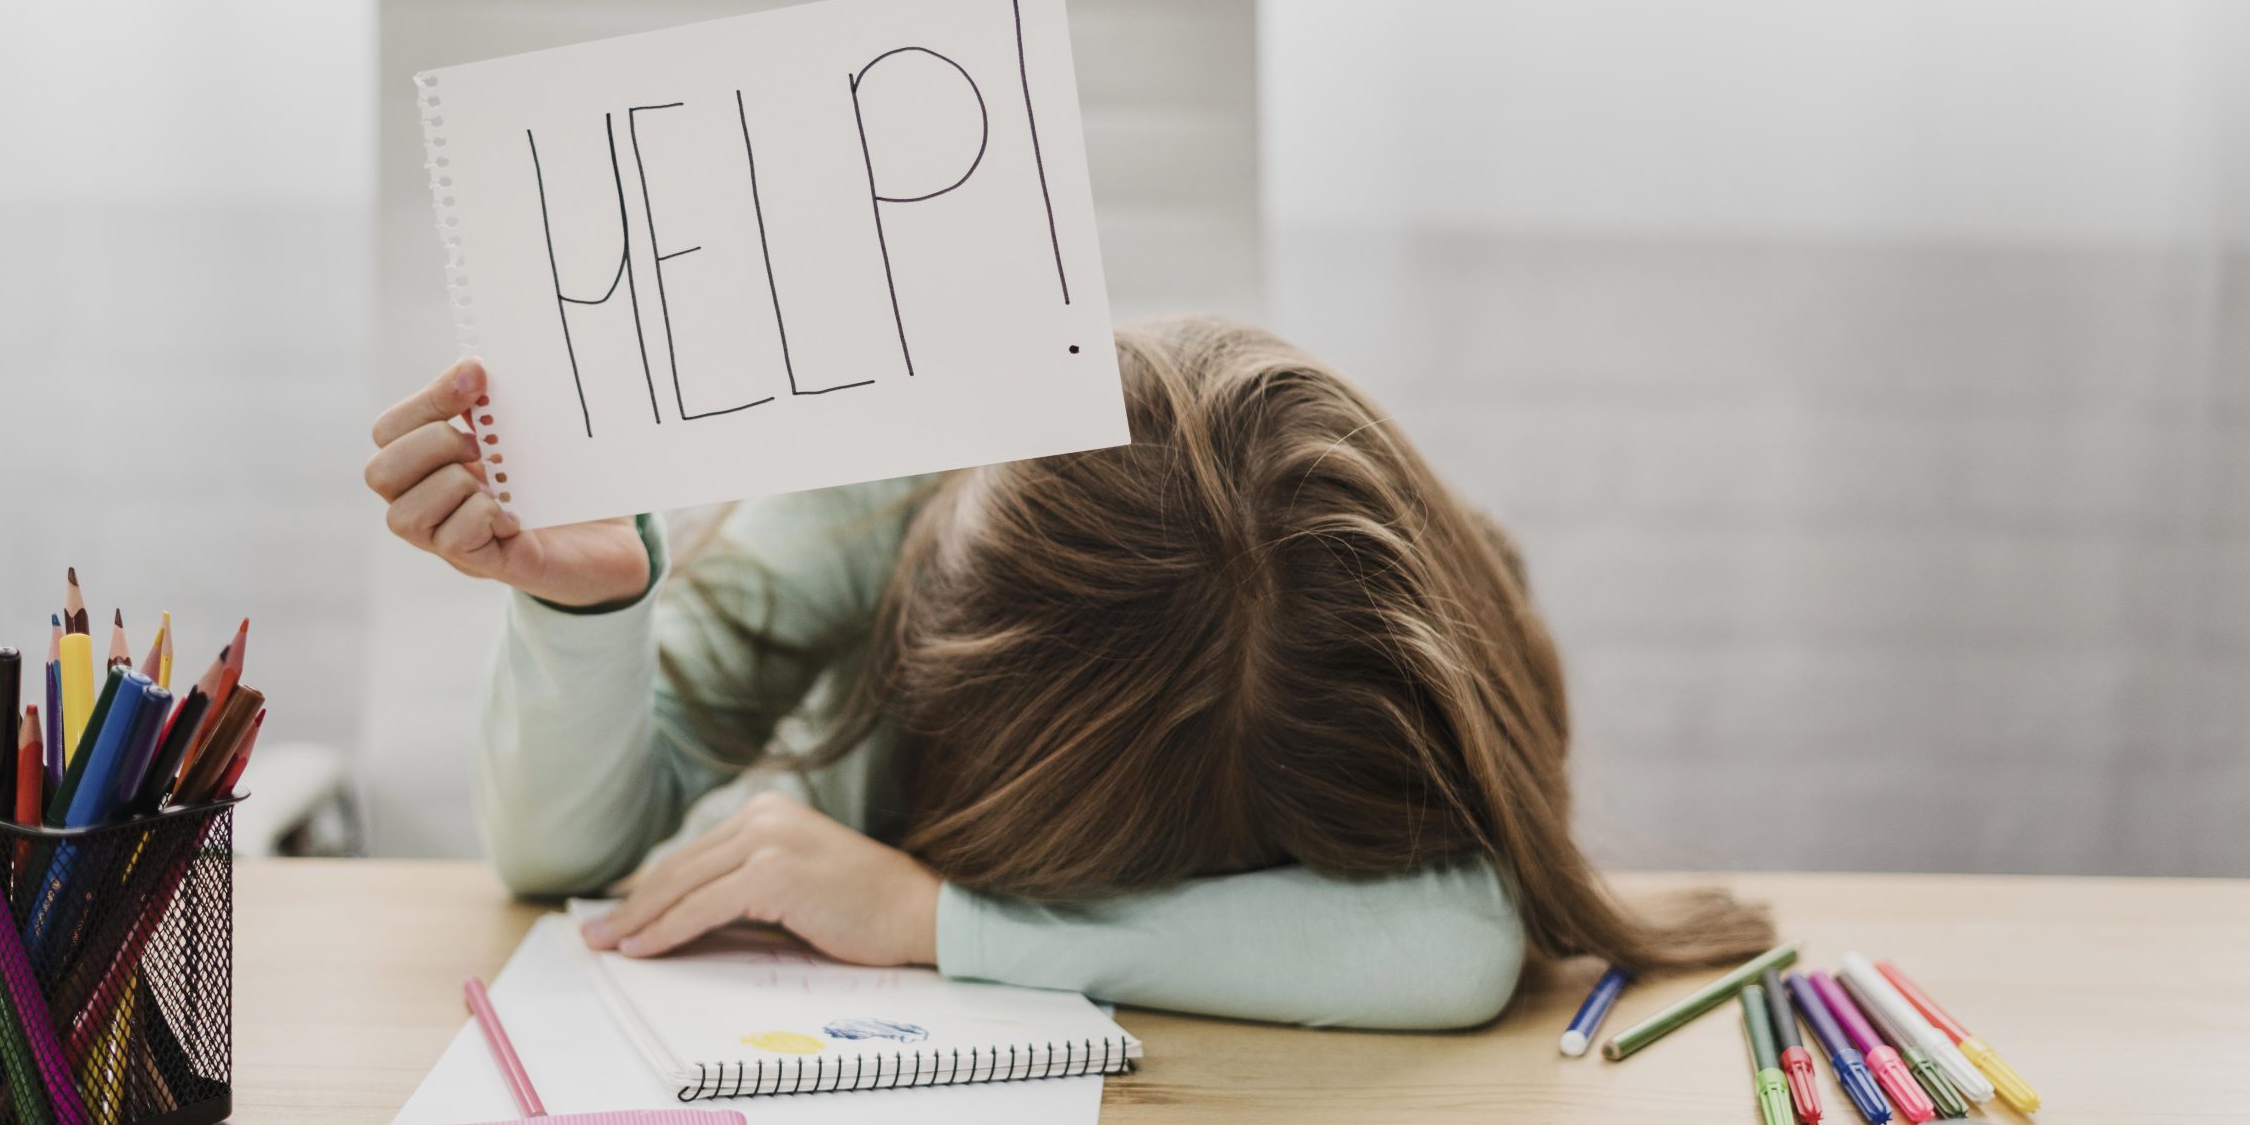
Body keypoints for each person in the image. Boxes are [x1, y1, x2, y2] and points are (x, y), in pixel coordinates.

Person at [363, 316, 1772, 1029]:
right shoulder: (875, 512)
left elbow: (1458, 947)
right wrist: (591, 614)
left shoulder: (1350, 633)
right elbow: (560, 860)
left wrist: (939, 924)